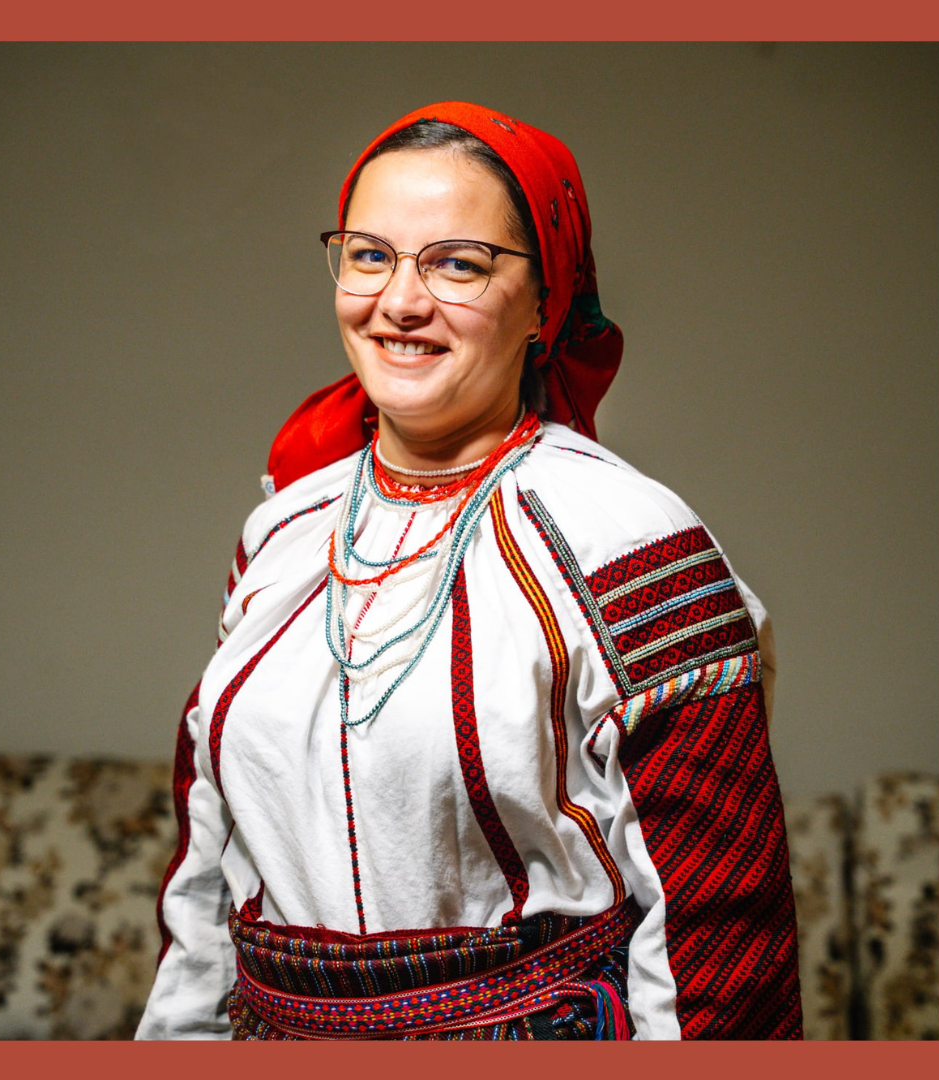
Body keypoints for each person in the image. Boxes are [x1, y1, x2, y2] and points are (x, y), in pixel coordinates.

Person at [136, 101, 802, 1041]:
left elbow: (719, 932)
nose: (400, 302)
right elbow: (207, 861)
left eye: (458, 263)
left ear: (546, 302)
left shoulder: (628, 540)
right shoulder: (284, 530)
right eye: (369, 255)